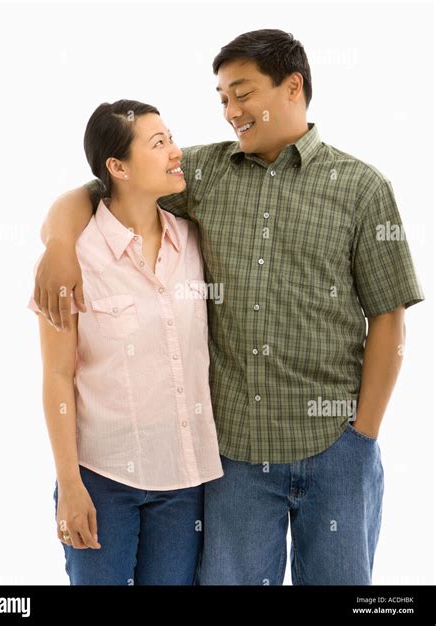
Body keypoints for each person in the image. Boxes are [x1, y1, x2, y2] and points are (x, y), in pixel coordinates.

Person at [32, 30, 425, 584]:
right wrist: (57, 246)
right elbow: (102, 186)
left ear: (293, 88)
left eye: (241, 94)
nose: (229, 112)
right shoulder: (203, 172)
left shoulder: (361, 187)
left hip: (337, 449)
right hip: (235, 458)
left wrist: (363, 436)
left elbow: (389, 315)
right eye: (221, 98)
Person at [26, 99, 224, 585]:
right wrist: (70, 485)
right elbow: (57, 377)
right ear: (117, 167)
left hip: (184, 482)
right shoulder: (77, 259)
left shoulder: (195, 243)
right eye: (159, 144)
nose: (176, 151)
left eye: (172, 138)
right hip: (102, 478)